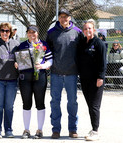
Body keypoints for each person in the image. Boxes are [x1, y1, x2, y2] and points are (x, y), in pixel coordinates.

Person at [46, 8, 81, 139]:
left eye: (66, 17)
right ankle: (56, 129)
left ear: (70, 18)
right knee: (55, 102)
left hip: (71, 74)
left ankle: (73, 129)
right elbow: (46, 52)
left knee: (72, 102)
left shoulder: (77, 32)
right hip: (56, 74)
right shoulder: (51, 33)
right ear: (58, 18)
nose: (64, 19)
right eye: (61, 17)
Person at [15, 25, 52, 139]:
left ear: (38, 33)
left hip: (39, 76)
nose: (32, 35)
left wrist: (43, 65)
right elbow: (17, 60)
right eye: (29, 32)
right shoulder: (22, 45)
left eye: (34, 32)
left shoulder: (44, 45)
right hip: (25, 78)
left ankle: (39, 130)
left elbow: (50, 60)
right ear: (27, 33)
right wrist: (16, 64)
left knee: (40, 103)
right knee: (26, 103)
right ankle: (26, 130)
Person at [77, 19, 106, 141]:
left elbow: (103, 62)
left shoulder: (99, 43)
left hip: (96, 80)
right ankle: (93, 128)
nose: (87, 30)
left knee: (94, 105)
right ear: (83, 31)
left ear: (94, 30)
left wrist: (100, 77)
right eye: (85, 29)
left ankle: (95, 131)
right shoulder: (83, 43)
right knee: (90, 105)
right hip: (85, 79)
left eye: (90, 28)